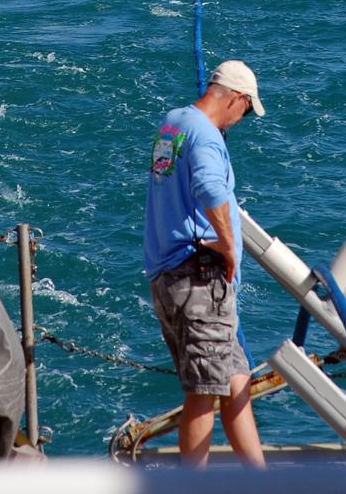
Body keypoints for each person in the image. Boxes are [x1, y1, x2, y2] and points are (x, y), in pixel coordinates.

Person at [144, 59, 267, 468]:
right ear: (236, 98)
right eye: (246, 111)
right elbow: (210, 188)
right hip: (199, 282)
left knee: (235, 384)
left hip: (167, 275)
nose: (240, 120)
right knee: (202, 396)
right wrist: (230, 247)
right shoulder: (207, 136)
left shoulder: (173, 123)